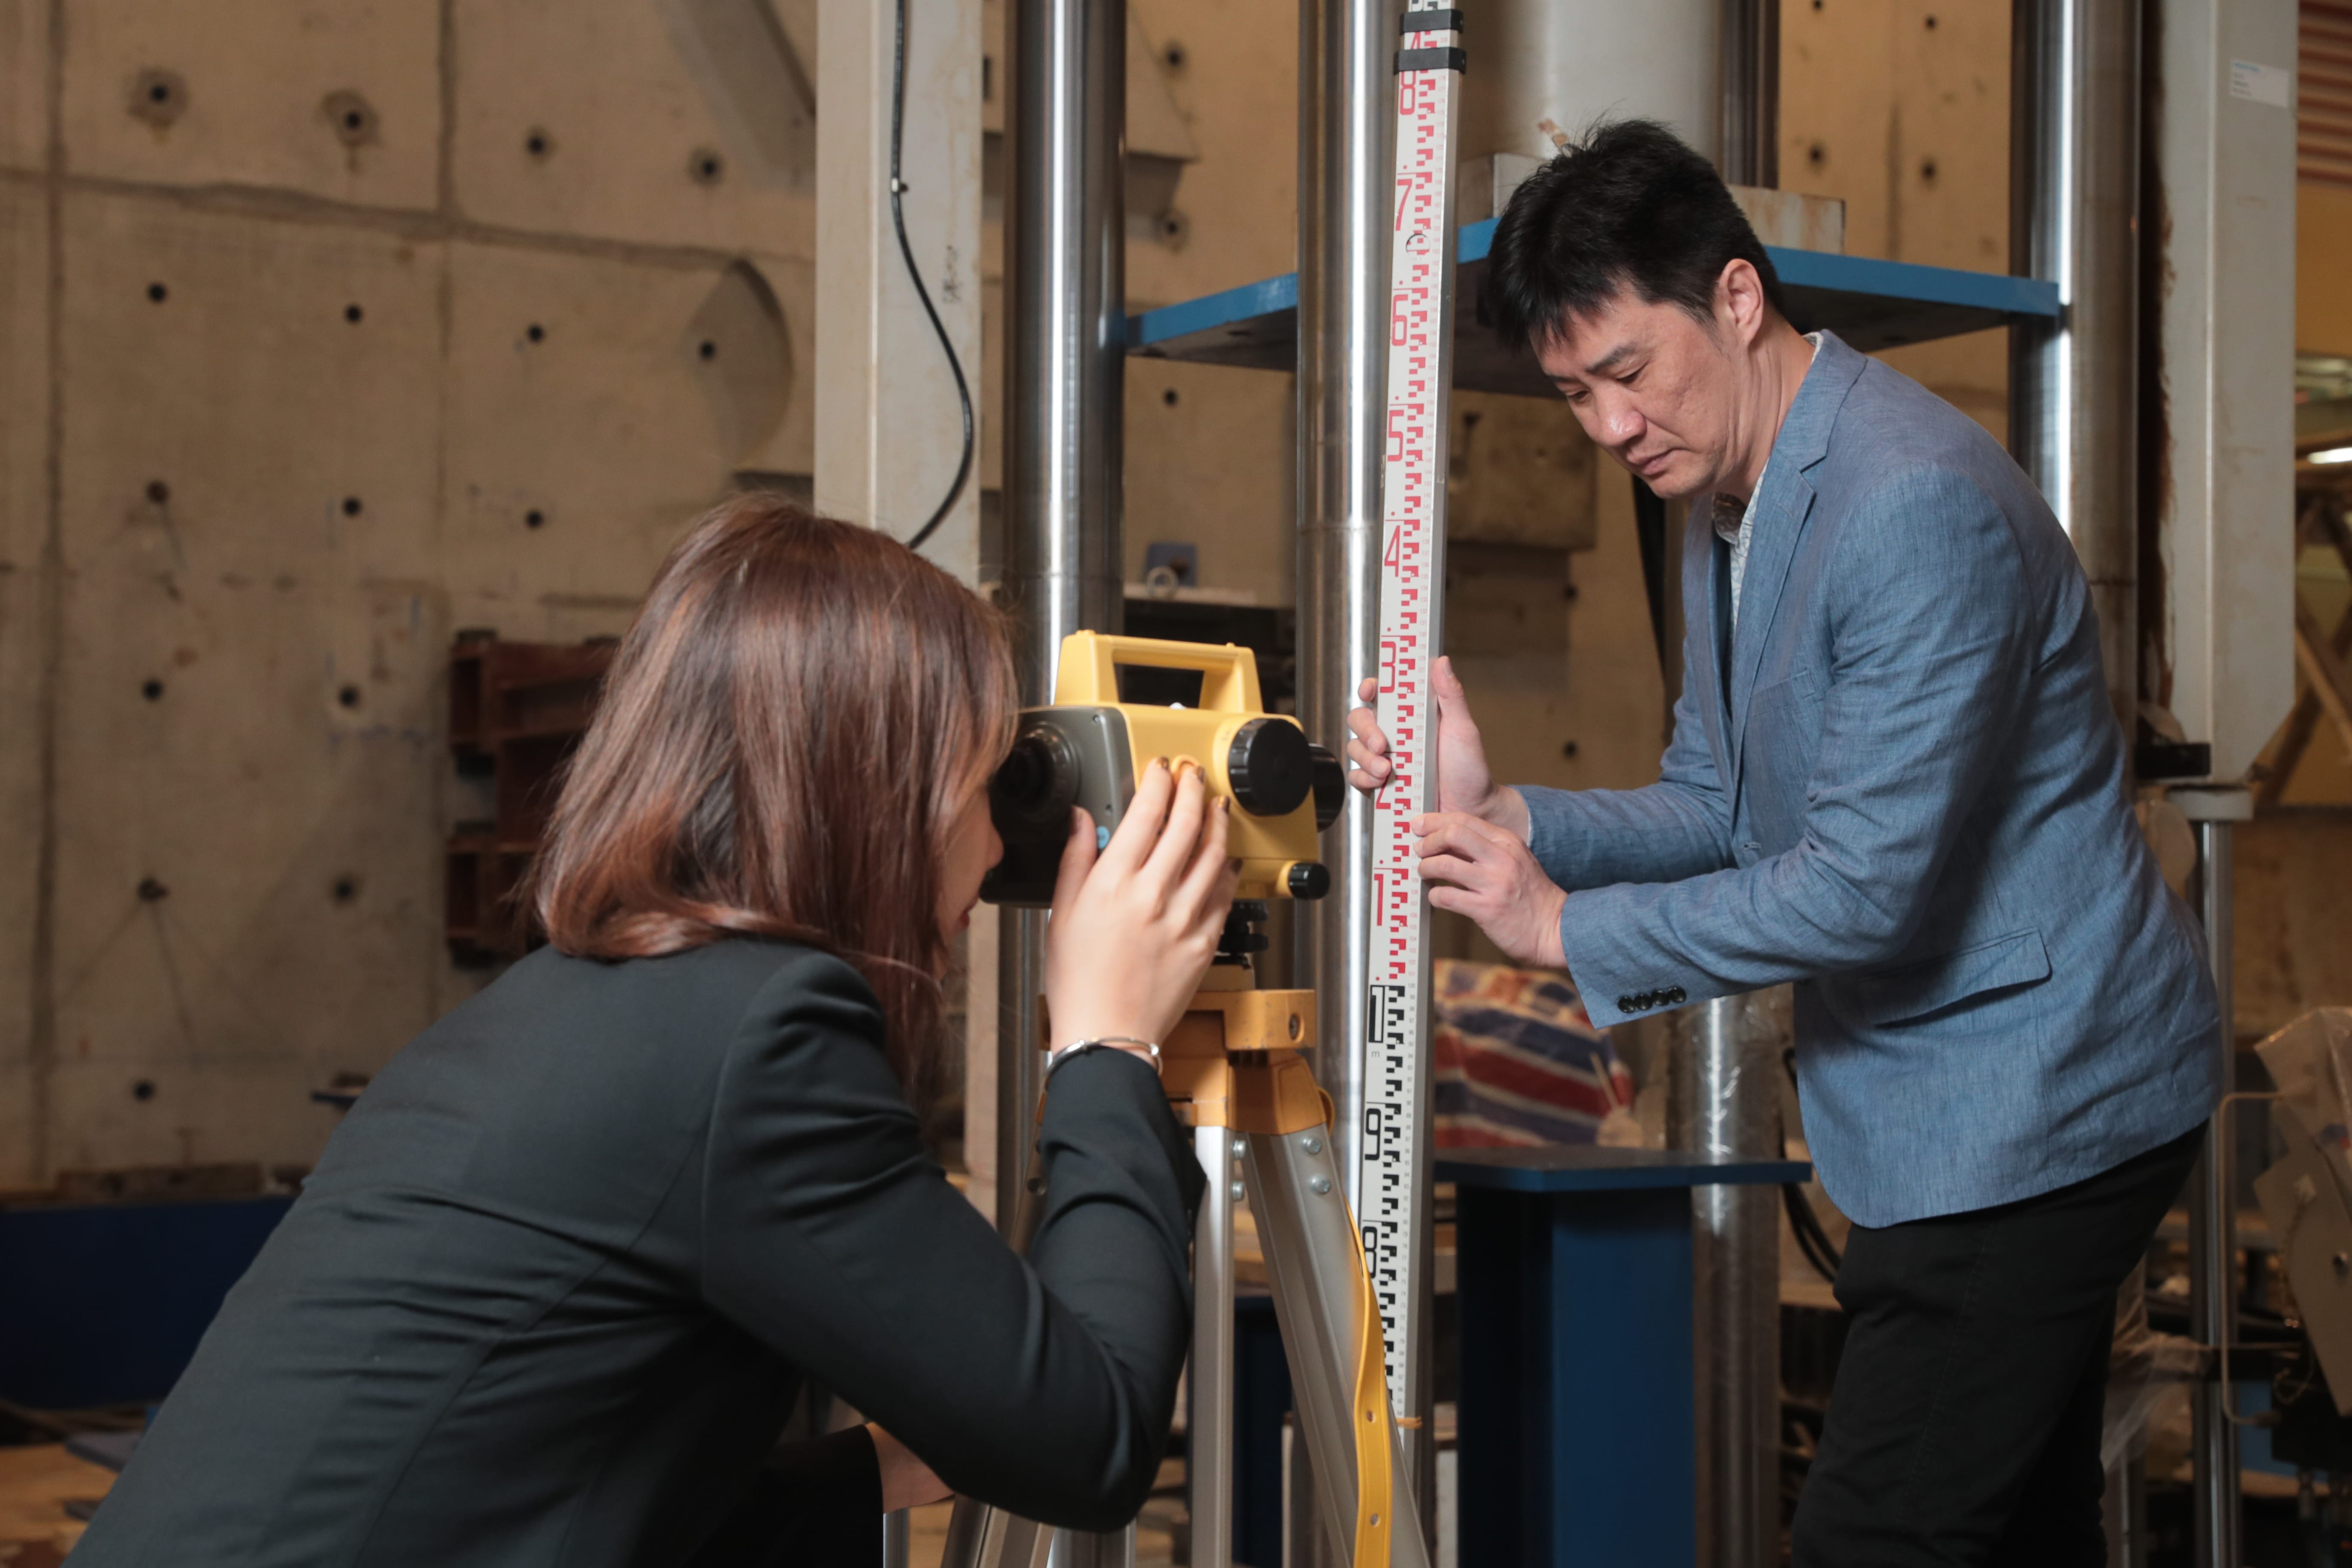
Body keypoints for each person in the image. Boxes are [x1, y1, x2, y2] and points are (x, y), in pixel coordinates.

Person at [1347, 120, 2219, 1565]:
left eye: (1628, 371)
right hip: (1952, 1099)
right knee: (2016, 1531)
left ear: (1738, 298)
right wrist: (1512, 822)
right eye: (1575, 394)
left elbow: (1864, 891)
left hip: (2043, 1099)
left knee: (1878, 1540)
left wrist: (1561, 927)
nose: (1609, 426)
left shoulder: (1912, 503)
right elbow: (1718, 801)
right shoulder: (1722, 505)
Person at [72, 498, 1240, 1566]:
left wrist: (883, 1466)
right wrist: (1108, 1044)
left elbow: (572, 1497)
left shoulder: (574, 1006)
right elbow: (1090, 1444)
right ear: (882, 795)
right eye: (982, 788)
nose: (993, 850)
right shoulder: (764, 1041)